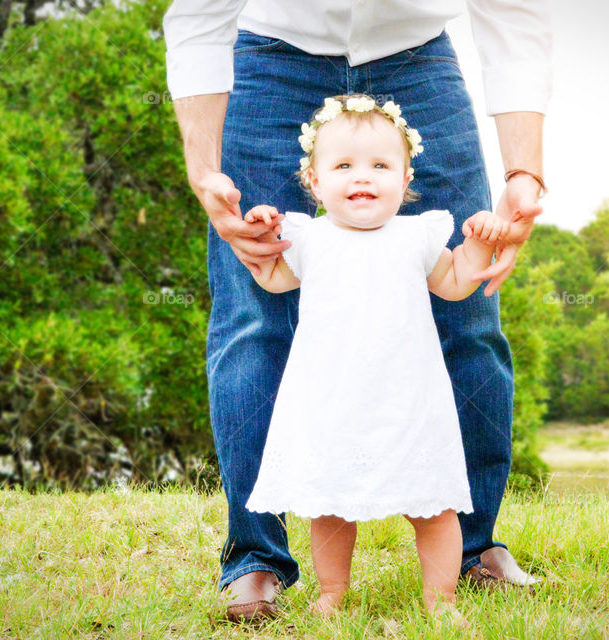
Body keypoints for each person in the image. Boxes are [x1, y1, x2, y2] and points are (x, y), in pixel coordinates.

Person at [163, 0, 551, 623]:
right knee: (254, 319)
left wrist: (525, 169)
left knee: (469, 322)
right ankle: (255, 560)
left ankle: (474, 549)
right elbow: (200, 15)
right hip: (268, 61)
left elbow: (512, 13)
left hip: (420, 61)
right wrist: (204, 167)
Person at [241, 94, 513, 624]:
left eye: (380, 166)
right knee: (330, 507)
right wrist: (260, 237)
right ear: (316, 183)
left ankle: (443, 601)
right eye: (343, 166)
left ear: (405, 178)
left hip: (408, 399)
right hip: (331, 398)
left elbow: (456, 283)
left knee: (433, 506)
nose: (361, 177)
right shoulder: (308, 237)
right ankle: (331, 594)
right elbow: (273, 279)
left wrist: (478, 246)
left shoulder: (416, 235)